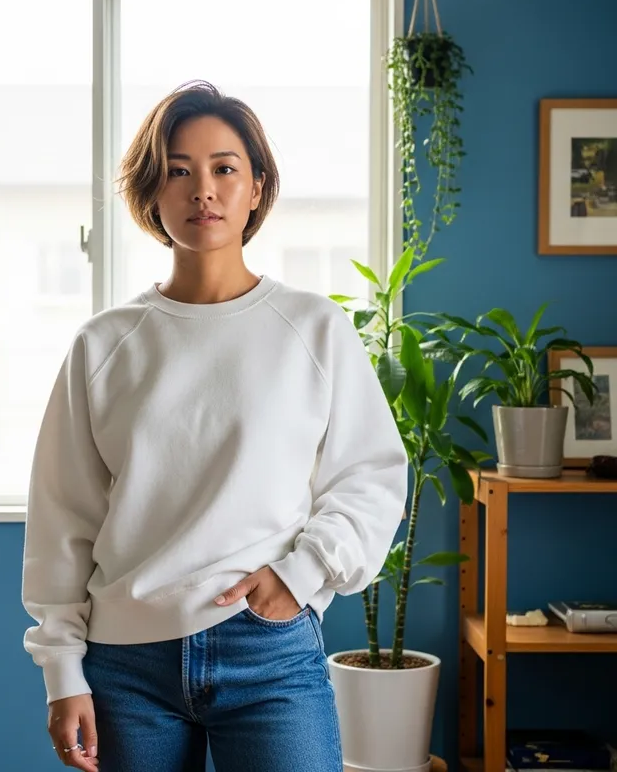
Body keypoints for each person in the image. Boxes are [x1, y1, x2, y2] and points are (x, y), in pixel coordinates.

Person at [21, 80, 408, 772]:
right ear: (152, 194)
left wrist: (302, 572)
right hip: (126, 666)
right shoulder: (105, 344)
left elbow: (371, 478)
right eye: (178, 170)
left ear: (256, 188)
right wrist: (62, 671)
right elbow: (63, 519)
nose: (204, 189)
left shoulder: (314, 329)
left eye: (225, 168)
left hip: (270, 650)